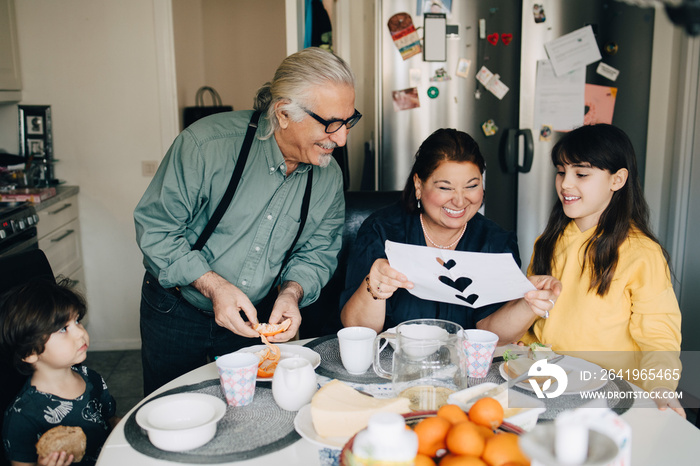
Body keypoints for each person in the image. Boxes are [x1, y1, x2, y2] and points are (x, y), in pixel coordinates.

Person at [134, 47, 359, 395]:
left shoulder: (328, 178)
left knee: (248, 418)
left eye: (348, 121)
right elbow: (157, 229)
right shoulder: (206, 146)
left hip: (256, 322)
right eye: (331, 124)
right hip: (177, 312)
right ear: (283, 113)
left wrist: (291, 293)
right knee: (173, 409)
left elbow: (317, 253)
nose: (342, 138)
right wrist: (215, 286)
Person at [522, 124, 684, 417]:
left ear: (617, 179)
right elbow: (535, 321)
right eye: (561, 171)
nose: (565, 184)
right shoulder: (546, 243)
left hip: (611, 397)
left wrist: (661, 387)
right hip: (550, 385)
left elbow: (659, 335)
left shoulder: (641, 253)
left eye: (581, 174)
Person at [340, 128, 560, 343]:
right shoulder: (382, 231)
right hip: (390, 366)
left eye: (472, 186)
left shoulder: (496, 242)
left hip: (463, 371)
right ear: (418, 184)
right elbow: (358, 329)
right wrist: (376, 285)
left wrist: (528, 303)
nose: (460, 200)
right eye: (445, 188)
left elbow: (493, 334)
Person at [0, 279, 118, 466]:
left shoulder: (92, 378)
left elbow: (111, 422)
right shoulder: (22, 416)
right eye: (63, 329)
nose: (80, 333)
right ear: (29, 352)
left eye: (77, 320)